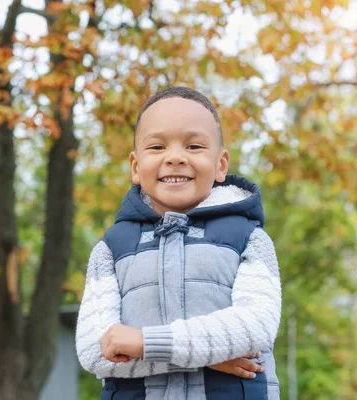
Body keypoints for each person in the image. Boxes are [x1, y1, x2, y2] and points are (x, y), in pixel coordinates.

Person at [75, 86, 282, 399]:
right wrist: (211, 355)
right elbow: (96, 349)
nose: (175, 157)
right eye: (157, 147)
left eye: (194, 146)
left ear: (221, 164)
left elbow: (254, 328)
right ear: (135, 166)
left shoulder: (250, 238)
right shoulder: (110, 249)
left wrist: (144, 344)